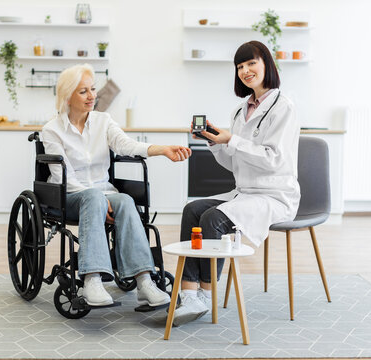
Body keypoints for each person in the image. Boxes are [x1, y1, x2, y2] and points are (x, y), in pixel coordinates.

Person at [42, 64, 192, 307]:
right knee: (93, 197)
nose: (92, 96)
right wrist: (99, 202)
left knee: (125, 200)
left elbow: (126, 145)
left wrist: (162, 150)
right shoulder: (52, 130)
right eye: (83, 92)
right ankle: (92, 280)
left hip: (102, 194)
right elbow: (64, 177)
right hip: (67, 198)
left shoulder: (103, 121)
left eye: (93, 89)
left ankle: (144, 281)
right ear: (68, 96)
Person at [173, 40, 301, 325]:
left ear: (266, 64)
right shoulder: (240, 111)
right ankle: (189, 293)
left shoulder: (284, 107)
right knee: (192, 210)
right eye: (240, 66)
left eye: (251, 63)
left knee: (213, 218)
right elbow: (235, 163)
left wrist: (232, 138)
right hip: (245, 192)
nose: (245, 70)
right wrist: (216, 143)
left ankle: (207, 295)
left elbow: (273, 160)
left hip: (274, 195)